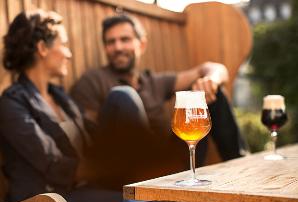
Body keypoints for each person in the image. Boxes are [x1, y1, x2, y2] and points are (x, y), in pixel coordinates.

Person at [0, 9, 194, 202]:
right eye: (64, 45)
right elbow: (54, 165)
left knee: (122, 97)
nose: (69, 53)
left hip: (85, 189)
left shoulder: (60, 97)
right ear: (42, 48)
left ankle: (154, 182)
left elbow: (91, 139)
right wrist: (111, 167)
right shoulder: (12, 103)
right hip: (49, 201)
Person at [70, 14, 246, 190]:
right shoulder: (92, 81)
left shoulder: (152, 81)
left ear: (142, 44)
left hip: (173, 165)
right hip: (130, 173)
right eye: (110, 42)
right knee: (123, 96)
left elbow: (215, 68)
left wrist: (211, 81)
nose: (118, 47)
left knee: (207, 95)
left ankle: (241, 166)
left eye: (125, 39)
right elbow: (91, 141)